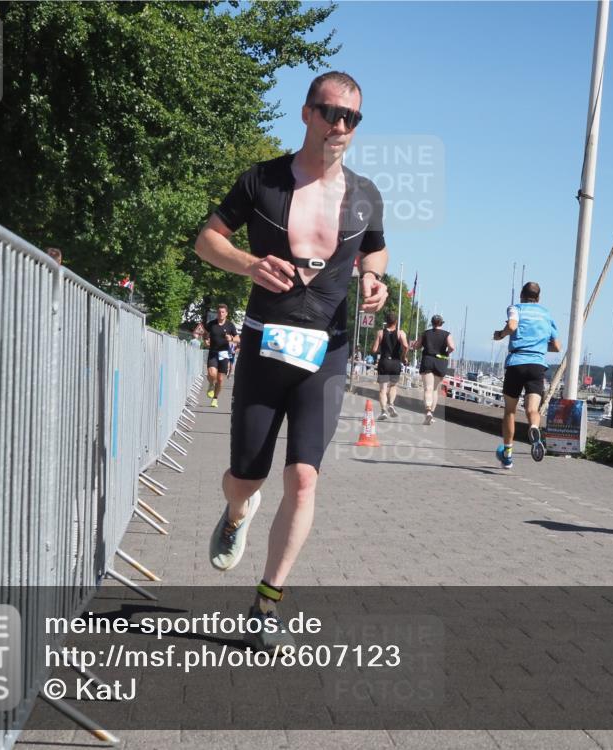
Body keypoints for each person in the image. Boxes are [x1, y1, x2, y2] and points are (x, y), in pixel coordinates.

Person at [194, 71, 387, 651]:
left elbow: (374, 248)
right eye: (331, 112)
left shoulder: (365, 194)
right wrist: (250, 265)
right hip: (263, 343)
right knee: (246, 477)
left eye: (352, 118)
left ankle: (266, 601)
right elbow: (207, 240)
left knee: (303, 478)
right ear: (306, 113)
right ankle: (235, 513)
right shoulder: (263, 181)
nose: (340, 126)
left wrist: (373, 281)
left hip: (326, 352)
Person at [492, 282, 561, 469]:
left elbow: (513, 326)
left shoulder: (515, 308)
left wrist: (500, 334)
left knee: (510, 411)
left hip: (516, 363)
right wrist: (537, 346)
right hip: (537, 365)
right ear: (538, 298)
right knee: (533, 410)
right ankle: (534, 429)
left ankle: (507, 455)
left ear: (522, 295)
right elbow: (556, 346)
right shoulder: (546, 314)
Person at [413, 315, 454, 425]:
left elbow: (417, 346)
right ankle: (432, 413)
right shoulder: (447, 334)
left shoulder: (425, 333)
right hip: (441, 361)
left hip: (428, 360)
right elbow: (452, 347)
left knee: (428, 389)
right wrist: (446, 353)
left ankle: (428, 412)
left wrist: (414, 344)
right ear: (442, 323)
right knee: (435, 390)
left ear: (432, 323)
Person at [371, 312, 409, 420]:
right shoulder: (400, 333)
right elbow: (406, 346)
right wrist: (403, 356)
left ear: (386, 322)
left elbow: (374, 349)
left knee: (383, 389)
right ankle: (391, 404)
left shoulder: (380, 333)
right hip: (396, 363)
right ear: (396, 322)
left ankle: (383, 411)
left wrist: (379, 349)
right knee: (393, 386)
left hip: (384, 362)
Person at [203, 303, 238, 408]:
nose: (220, 314)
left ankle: (215, 399)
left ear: (226, 313)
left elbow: (238, 338)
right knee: (212, 373)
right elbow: (205, 333)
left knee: (220, 379)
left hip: (224, 354)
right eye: (219, 312)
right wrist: (205, 340)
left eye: (223, 312)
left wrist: (231, 339)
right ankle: (211, 384)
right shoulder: (211, 324)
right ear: (216, 313)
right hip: (213, 352)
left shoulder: (230, 325)